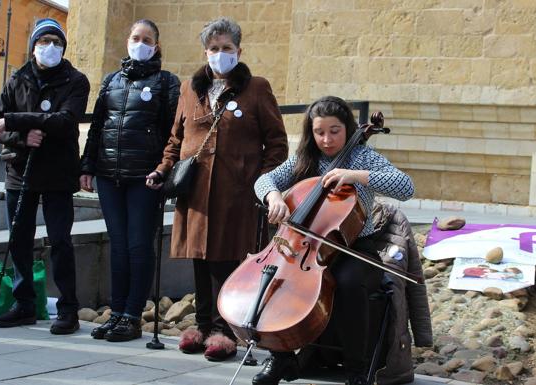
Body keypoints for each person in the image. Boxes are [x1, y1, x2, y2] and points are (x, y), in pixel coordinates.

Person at [147, 17, 288, 361]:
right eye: (214, 48)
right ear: (205, 51)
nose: (220, 54)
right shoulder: (188, 88)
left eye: (227, 48)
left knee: (228, 261)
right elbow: (176, 139)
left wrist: (263, 183)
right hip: (195, 194)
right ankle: (202, 323)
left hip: (237, 195)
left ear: (239, 51)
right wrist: (162, 169)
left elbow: (277, 144)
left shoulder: (257, 88)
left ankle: (225, 331)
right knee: (200, 259)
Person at [251, 96, 415, 385]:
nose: (326, 140)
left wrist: (356, 176)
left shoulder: (363, 157)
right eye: (319, 132)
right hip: (303, 248)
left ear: (348, 129)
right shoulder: (305, 158)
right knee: (279, 281)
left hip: (355, 248)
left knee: (348, 283)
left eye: (334, 131)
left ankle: (356, 371)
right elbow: (264, 180)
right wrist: (273, 196)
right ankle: (281, 358)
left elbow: (406, 186)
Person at [0, 18, 89, 334]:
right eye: (44, 42)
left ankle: (67, 308)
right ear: (33, 47)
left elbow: (65, 121)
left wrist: (15, 121)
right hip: (21, 170)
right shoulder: (17, 78)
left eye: (57, 42)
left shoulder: (76, 80)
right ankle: (24, 304)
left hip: (58, 172)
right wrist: (21, 137)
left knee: (60, 241)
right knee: (19, 239)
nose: (51, 48)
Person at [79, 19, 180, 342]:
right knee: (118, 246)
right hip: (110, 175)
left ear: (157, 45)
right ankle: (118, 312)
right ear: (128, 41)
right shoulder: (111, 81)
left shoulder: (167, 83)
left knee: (139, 246)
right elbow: (97, 127)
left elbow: (173, 134)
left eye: (147, 39)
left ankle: (133, 315)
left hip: (144, 178)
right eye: (135, 37)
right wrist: (87, 166)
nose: (140, 43)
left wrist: (165, 170)